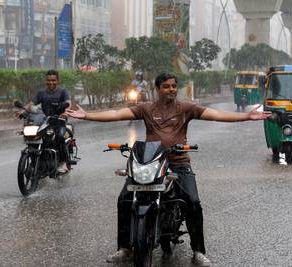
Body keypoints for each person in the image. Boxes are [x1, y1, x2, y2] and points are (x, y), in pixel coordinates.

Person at [65, 73, 272, 266]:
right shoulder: (146, 108)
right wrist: (87, 115)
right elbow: (117, 114)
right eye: (166, 86)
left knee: (192, 201)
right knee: (124, 200)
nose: (171, 90)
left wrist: (246, 116)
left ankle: (198, 251)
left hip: (178, 163)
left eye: (174, 86)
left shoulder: (186, 108)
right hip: (149, 163)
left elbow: (216, 114)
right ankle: (125, 248)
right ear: (157, 89)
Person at [22, 69, 72, 173]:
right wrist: (23, 111)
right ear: (46, 81)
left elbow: (68, 104)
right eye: (48, 80)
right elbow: (31, 104)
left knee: (59, 136)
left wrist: (64, 113)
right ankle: (35, 161)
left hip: (59, 121)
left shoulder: (63, 92)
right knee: (33, 136)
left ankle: (62, 162)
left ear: (58, 81)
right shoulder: (41, 93)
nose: (51, 82)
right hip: (45, 122)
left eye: (53, 80)